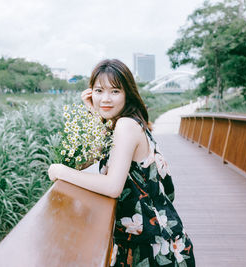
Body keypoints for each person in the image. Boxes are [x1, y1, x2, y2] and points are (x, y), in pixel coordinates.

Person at [48, 59, 195, 267]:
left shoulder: (126, 126)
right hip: (154, 240)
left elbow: (113, 186)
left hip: (154, 247)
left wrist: (59, 171)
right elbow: (86, 160)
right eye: (99, 91)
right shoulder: (123, 124)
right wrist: (94, 114)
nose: (105, 99)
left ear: (128, 93)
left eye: (115, 91)